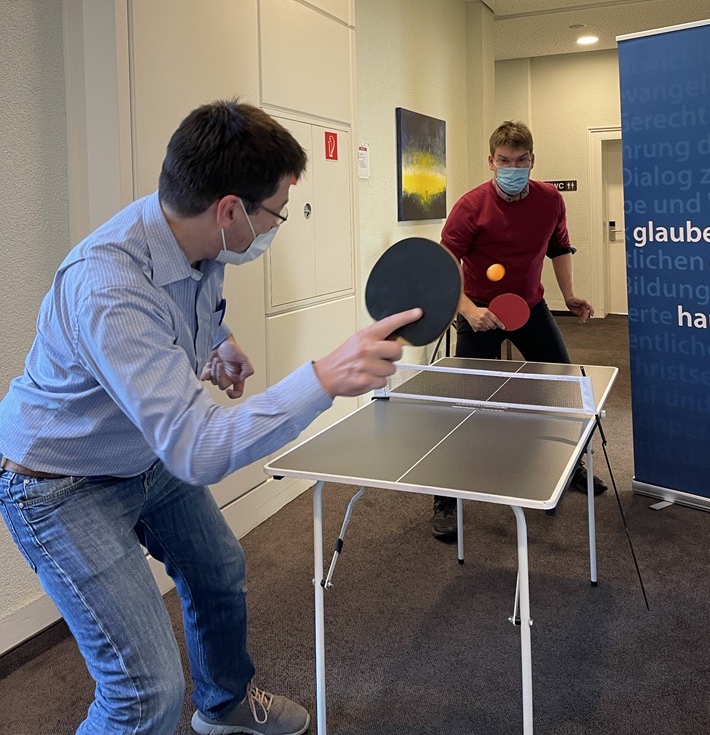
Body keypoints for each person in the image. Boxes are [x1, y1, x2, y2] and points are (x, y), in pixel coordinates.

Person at [0, 100, 420, 735]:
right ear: (229, 211)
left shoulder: (193, 239)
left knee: (218, 569)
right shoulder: (111, 286)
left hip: (140, 454)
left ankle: (223, 704)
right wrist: (323, 378)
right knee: (145, 694)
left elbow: (188, 310)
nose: (277, 223)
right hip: (59, 483)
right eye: (276, 211)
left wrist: (218, 342)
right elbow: (197, 450)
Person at [431, 120, 607, 540]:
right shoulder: (470, 206)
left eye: (521, 160)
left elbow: (559, 247)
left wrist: (569, 294)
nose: (513, 167)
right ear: (491, 162)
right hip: (480, 312)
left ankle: (572, 467)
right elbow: (442, 265)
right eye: (504, 161)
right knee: (463, 405)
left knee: (566, 389)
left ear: (532, 160)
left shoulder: (550, 200)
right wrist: (467, 309)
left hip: (530, 308)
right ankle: (445, 499)